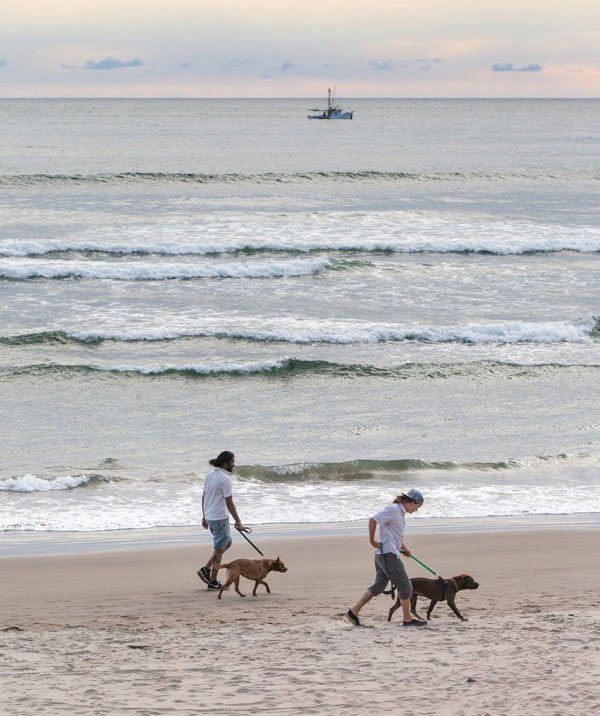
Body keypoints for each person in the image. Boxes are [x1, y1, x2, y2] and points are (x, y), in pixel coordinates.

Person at [346, 489, 426, 627]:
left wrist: (404, 548)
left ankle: (353, 612)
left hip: (383, 554)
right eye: (417, 507)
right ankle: (407, 620)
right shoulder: (394, 509)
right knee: (406, 587)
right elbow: (373, 520)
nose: (417, 510)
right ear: (412, 502)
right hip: (388, 555)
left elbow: (394, 535)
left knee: (379, 586)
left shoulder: (399, 513)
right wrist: (372, 541)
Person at [197, 450, 245, 591]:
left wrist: (205, 516)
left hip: (212, 517)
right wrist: (239, 521)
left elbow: (204, 497)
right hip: (220, 518)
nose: (233, 465)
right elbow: (229, 502)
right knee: (219, 550)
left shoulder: (209, 475)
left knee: (226, 543)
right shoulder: (225, 479)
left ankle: (206, 569)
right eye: (232, 462)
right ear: (225, 463)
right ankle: (212, 581)